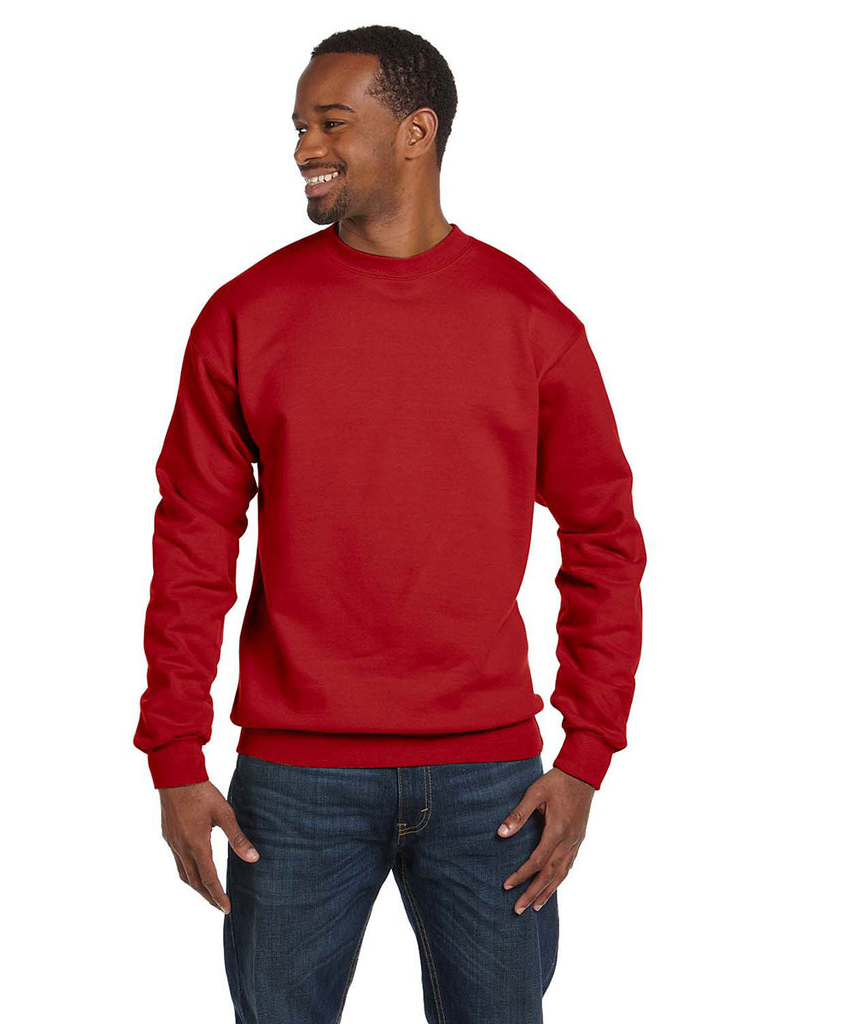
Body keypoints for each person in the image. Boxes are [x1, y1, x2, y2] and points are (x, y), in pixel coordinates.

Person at [134, 24, 646, 1024]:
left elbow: (604, 541)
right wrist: (175, 755)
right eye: (298, 125)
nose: (304, 148)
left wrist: (587, 752)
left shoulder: (530, 321)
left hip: (490, 783)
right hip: (293, 778)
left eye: (331, 123)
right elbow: (193, 538)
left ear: (417, 131)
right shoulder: (244, 315)